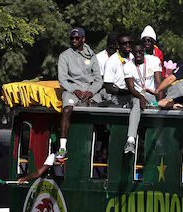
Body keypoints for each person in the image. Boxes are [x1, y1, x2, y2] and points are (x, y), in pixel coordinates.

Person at [56, 27, 103, 161]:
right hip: (72, 89)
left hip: (89, 90)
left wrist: (91, 91)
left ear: (83, 39)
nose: (74, 41)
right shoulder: (65, 56)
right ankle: (63, 147)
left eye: (77, 38)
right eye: (72, 38)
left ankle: (98, 148)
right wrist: (74, 90)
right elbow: (62, 80)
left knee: (99, 111)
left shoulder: (92, 55)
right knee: (66, 109)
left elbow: (98, 79)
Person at [100, 33, 145, 154]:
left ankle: (138, 142)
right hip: (119, 96)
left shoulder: (135, 57)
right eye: (124, 44)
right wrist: (127, 91)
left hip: (135, 93)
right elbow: (108, 87)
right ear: (117, 45)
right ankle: (130, 140)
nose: (128, 46)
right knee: (137, 102)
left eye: (130, 43)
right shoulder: (111, 61)